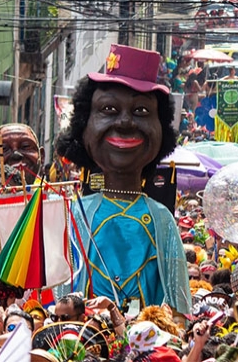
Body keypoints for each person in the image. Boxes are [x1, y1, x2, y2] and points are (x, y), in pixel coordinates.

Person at [56, 44, 191, 313]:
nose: (125, 122)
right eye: (108, 109)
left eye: (141, 111)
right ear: (84, 126)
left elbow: (178, 307)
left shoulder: (161, 220)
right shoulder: (75, 214)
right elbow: (57, 291)